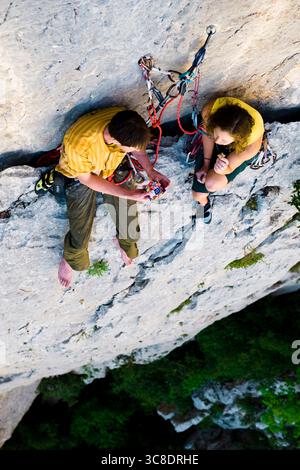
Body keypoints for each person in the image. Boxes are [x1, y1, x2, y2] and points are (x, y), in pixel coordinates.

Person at [45, 107, 170, 287]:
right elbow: (87, 179)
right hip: (81, 176)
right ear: (117, 141)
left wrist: (150, 170)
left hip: (111, 166)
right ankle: (71, 256)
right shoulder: (79, 144)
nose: (135, 150)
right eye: (131, 148)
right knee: (79, 239)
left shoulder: (125, 120)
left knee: (131, 232)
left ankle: (124, 243)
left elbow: (137, 148)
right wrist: (129, 194)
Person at [192, 97, 264, 223]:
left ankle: (203, 209)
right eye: (217, 135)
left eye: (224, 140)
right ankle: (204, 206)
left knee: (212, 183)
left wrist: (223, 169)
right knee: (198, 195)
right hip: (224, 131)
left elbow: (231, 167)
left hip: (239, 152)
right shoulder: (209, 111)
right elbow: (209, 135)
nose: (217, 141)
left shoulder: (251, 145)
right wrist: (206, 164)